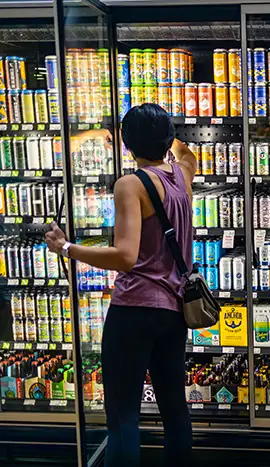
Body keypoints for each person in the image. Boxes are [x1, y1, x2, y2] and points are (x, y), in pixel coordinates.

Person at [45, 103, 196, 466]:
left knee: (123, 415)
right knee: (174, 408)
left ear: (127, 146)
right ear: (168, 138)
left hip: (133, 310)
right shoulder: (182, 174)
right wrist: (163, 136)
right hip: (174, 311)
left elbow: (126, 256)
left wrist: (67, 248)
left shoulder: (131, 184)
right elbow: (184, 151)